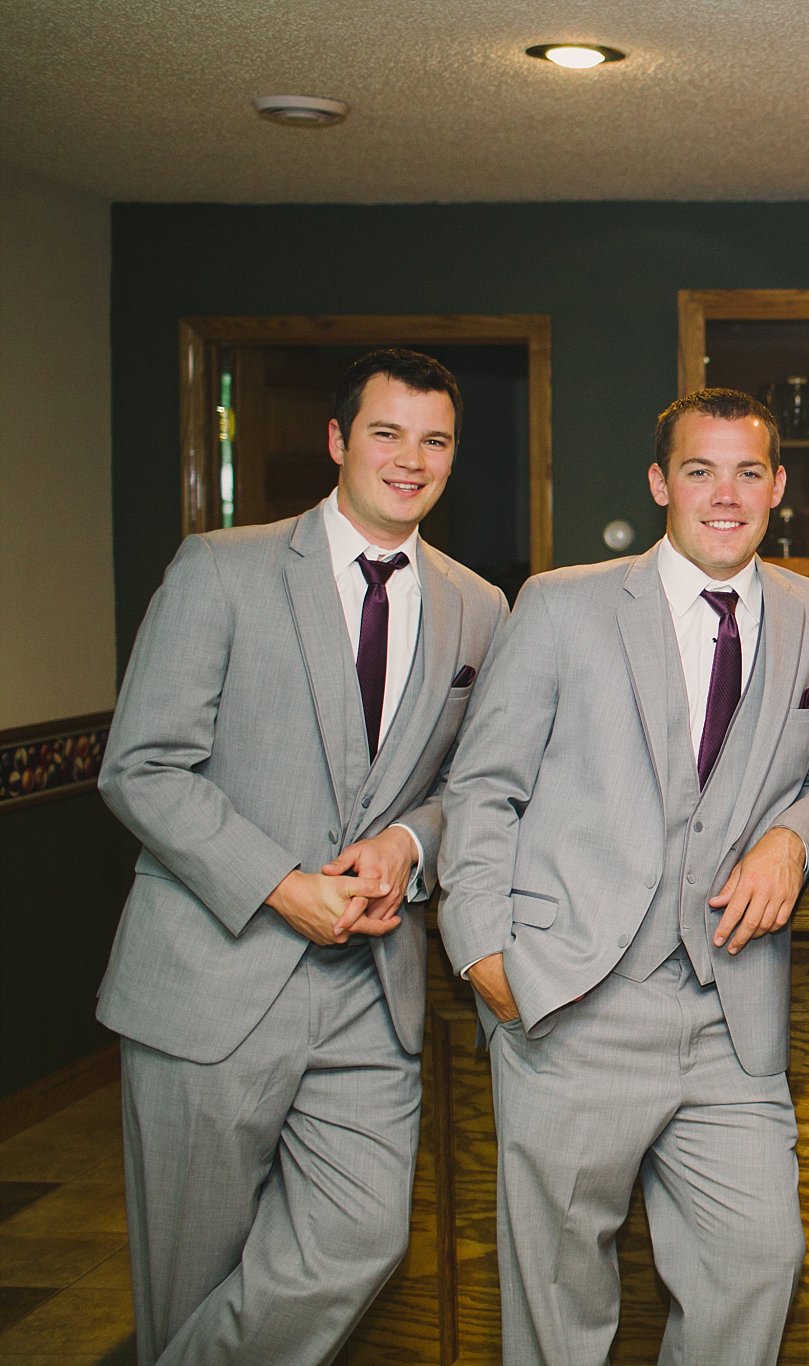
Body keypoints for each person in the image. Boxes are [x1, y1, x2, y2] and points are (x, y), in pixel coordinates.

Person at [97, 348, 507, 1363]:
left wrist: (409, 842)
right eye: (386, 433)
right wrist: (281, 887)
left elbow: (475, 784)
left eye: (435, 441)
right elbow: (142, 766)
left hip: (372, 988)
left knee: (358, 1239)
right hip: (210, 981)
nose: (410, 459)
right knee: (191, 1277)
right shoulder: (221, 568)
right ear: (336, 439)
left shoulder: (480, 606)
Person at [438, 388, 809, 1364]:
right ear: (661, 482)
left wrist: (793, 839)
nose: (726, 495)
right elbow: (484, 785)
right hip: (572, 998)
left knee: (758, 1262)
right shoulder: (561, 604)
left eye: (748, 472)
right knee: (557, 1300)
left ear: (778, 486)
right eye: (700, 471)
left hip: (729, 1013)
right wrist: (485, 956)